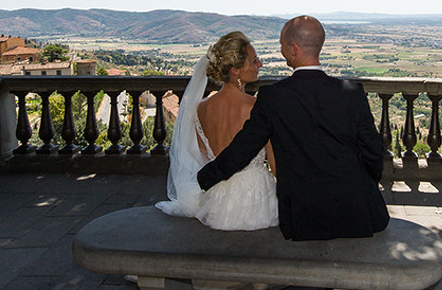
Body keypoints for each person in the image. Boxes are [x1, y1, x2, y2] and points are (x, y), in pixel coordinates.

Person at [197, 16, 389, 241]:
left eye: (281, 45)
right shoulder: (352, 92)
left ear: (293, 49)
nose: (280, 50)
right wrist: (367, 184)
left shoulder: (273, 97)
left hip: (303, 217)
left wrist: (206, 178)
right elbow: (373, 151)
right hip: (358, 213)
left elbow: (243, 148)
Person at [156, 31, 278, 231]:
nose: (260, 64)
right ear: (236, 70)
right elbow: (274, 163)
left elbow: (204, 156)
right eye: (255, 60)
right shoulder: (259, 107)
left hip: (217, 201)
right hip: (258, 200)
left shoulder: (200, 108)